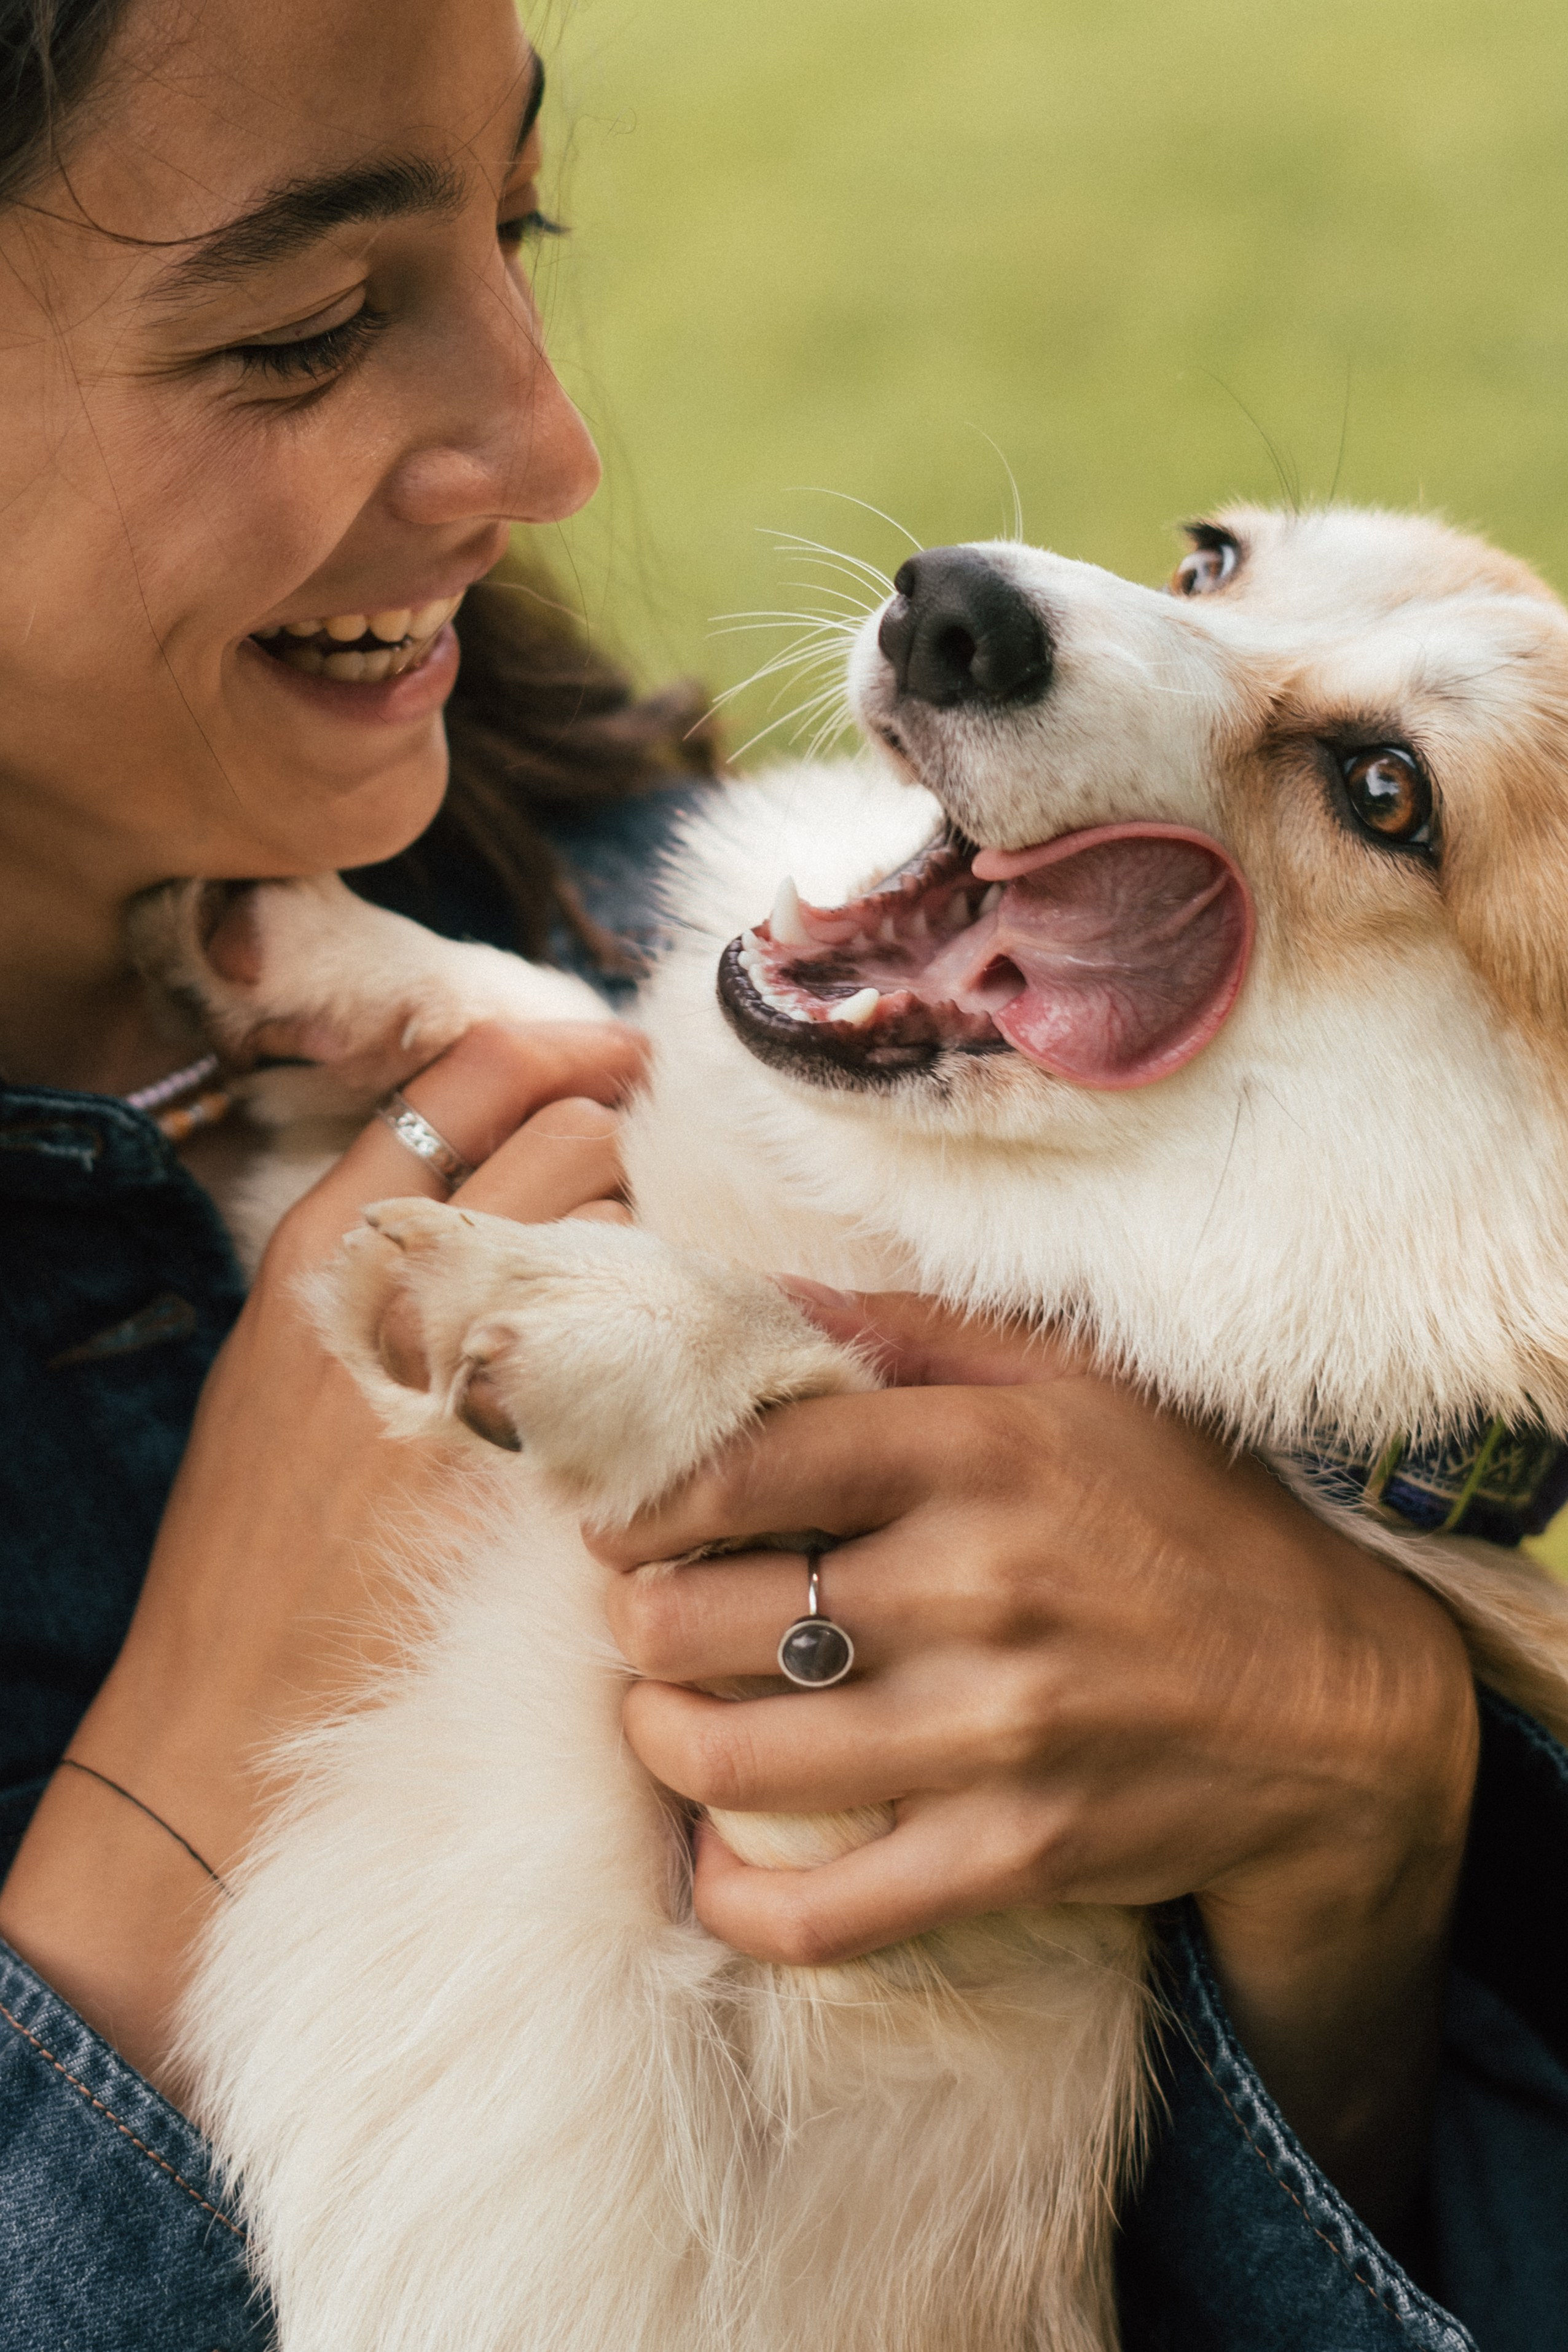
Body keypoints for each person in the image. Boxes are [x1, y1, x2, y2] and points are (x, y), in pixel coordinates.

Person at [0, 4, 1561, 2346]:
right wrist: (168, 1801)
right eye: (303, 325)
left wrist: (1364, 1807)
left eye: (525, 224)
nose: (555, 448)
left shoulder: (700, 916)